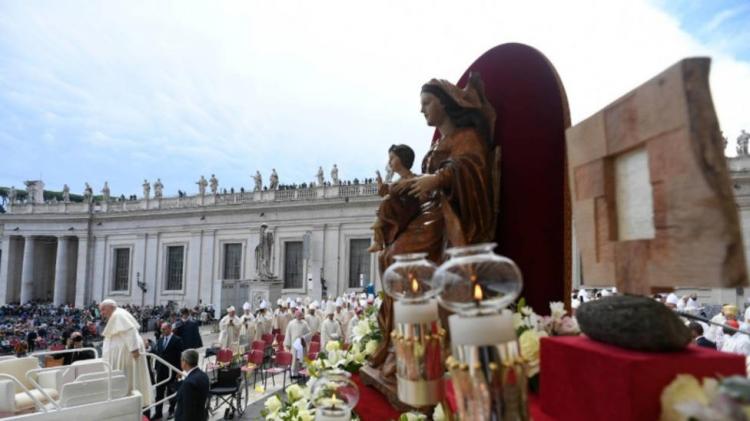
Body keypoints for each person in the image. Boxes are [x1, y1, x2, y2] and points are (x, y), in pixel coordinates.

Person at [100, 299, 153, 406]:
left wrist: (134, 349)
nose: (102, 313)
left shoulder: (118, 314)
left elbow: (130, 331)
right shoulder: (118, 313)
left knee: (128, 380)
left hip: (126, 357)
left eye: (103, 309)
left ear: (111, 307)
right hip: (124, 357)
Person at [368, 144, 420, 252]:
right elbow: (388, 191)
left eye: (392, 158)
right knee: (385, 204)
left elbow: (420, 194)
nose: (389, 162)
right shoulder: (398, 181)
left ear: (402, 159)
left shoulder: (414, 178)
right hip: (399, 210)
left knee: (386, 201)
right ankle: (378, 240)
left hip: (410, 210)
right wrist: (381, 187)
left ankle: (378, 241)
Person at [152, 322, 185, 421]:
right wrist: (156, 368)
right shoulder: (160, 340)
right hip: (161, 371)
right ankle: (158, 413)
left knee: (171, 392)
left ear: (170, 329)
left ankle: (171, 410)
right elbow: (158, 355)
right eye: (161, 329)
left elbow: (180, 356)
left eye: (164, 329)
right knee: (159, 393)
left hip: (172, 370)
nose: (162, 331)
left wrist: (179, 370)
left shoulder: (177, 340)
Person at [174, 349, 209, 421]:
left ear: (185, 362)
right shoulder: (203, 375)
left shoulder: (188, 383)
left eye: (181, 360)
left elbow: (188, 409)